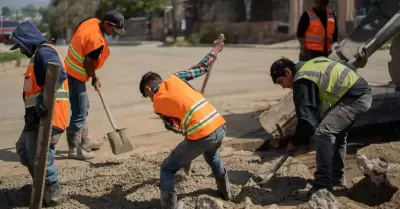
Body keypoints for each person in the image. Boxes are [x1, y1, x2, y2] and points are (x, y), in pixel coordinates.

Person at [139, 38, 230, 209]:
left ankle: (169, 207)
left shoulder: (158, 105)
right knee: (211, 156)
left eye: (148, 96)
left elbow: (174, 127)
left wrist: (180, 130)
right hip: (220, 124)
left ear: (148, 90)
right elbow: (202, 67)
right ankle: (226, 193)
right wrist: (215, 51)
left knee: (167, 169)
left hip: (202, 134)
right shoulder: (176, 78)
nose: (150, 99)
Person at [269, 56, 372, 195]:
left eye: (281, 82)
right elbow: (349, 68)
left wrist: (295, 141)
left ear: (287, 72)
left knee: (323, 133)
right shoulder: (310, 64)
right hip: (357, 93)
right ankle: (336, 178)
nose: (284, 87)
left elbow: (307, 122)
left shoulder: (302, 79)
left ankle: (322, 185)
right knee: (338, 134)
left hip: (354, 98)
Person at [11, 21, 69, 206]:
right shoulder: (38, 54)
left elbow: (58, 74)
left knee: (41, 158)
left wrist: (42, 99)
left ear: (27, 40)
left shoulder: (44, 52)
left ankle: (52, 194)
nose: (20, 50)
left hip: (47, 117)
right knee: (24, 150)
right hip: (35, 118)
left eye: (20, 45)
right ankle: (41, 185)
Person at [64, 10, 125, 160]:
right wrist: (94, 78)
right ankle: (74, 149)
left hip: (69, 68)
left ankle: (85, 140)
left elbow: (78, 30)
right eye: (113, 29)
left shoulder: (91, 21)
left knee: (83, 108)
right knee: (79, 112)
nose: (114, 33)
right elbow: (89, 64)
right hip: (76, 74)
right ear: (106, 24)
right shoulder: (96, 41)